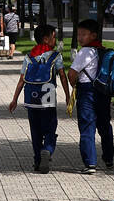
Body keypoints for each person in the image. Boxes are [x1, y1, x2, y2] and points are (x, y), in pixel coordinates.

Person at [8, 24, 70, 173]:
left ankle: (37, 161)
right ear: (46, 39)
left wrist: (14, 99)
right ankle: (47, 149)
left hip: (31, 100)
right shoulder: (56, 56)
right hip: (48, 100)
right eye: (54, 37)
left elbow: (21, 80)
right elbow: (62, 76)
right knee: (50, 127)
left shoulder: (29, 57)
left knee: (35, 131)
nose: (55, 40)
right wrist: (68, 96)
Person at [68, 18, 114, 174]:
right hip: (103, 92)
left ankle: (90, 163)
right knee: (104, 125)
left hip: (87, 91)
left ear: (93, 35)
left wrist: (74, 84)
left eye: (83, 34)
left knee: (87, 125)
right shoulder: (103, 51)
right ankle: (109, 157)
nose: (80, 38)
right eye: (79, 34)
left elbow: (72, 73)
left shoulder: (85, 52)